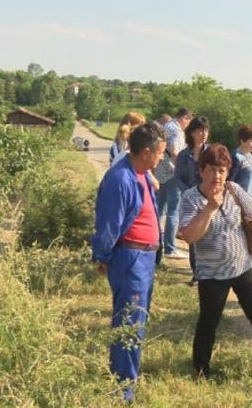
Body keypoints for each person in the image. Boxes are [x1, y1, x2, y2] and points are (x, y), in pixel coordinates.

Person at [178, 144, 252, 378]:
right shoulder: (190, 199)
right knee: (209, 322)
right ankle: (201, 369)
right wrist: (210, 208)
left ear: (228, 172)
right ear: (201, 171)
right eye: (211, 169)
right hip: (211, 274)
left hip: (244, 267)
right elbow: (190, 237)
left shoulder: (234, 190)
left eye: (221, 170)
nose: (216, 176)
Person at [90, 122, 166, 402]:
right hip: (130, 259)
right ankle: (122, 390)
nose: (162, 158)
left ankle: (127, 378)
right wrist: (103, 257)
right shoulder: (120, 179)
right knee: (129, 323)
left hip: (143, 259)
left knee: (136, 321)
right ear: (146, 152)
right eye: (160, 153)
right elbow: (108, 225)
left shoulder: (142, 174)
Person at [153, 109, 194, 259]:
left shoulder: (165, 126)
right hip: (172, 173)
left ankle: (155, 242)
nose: (188, 125)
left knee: (159, 209)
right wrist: (181, 170)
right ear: (185, 118)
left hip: (160, 171)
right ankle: (170, 248)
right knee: (173, 211)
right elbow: (175, 151)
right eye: (188, 121)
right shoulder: (176, 130)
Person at [175, 116, 210, 279]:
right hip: (190, 201)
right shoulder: (183, 155)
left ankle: (209, 270)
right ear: (192, 133)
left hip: (208, 199)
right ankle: (197, 273)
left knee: (209, 235)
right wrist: (189, 193)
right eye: (199, 130)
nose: (203, 134)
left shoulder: (211, 153)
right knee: (192, 237)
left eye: (206, 130)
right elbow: (178, 178)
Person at [228, 125, 252, 208]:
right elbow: (229, 183)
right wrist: (238, 204)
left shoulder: (250, 156)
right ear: (242, 141)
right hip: (241, 205)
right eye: (251, 141)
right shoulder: (236, 157)